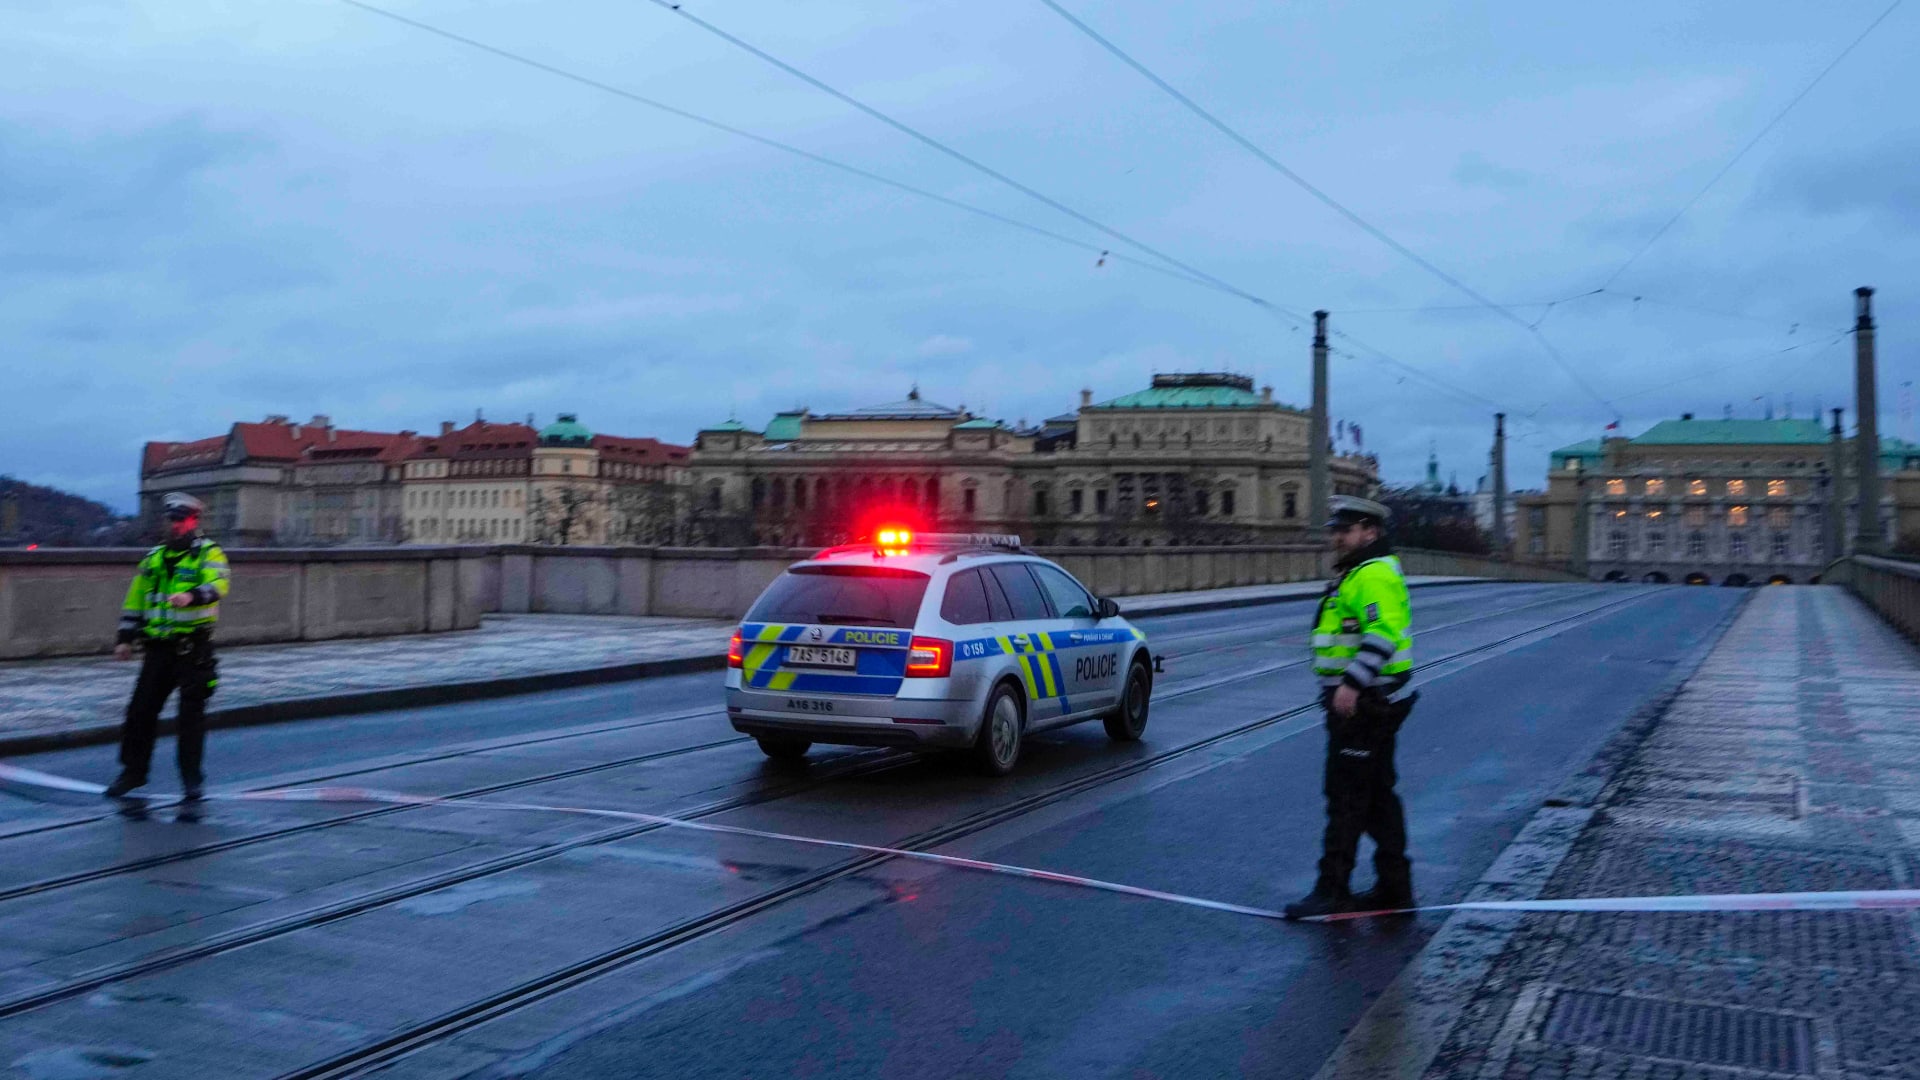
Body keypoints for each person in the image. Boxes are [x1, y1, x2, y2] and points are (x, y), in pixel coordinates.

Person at [1284, 495, 1419, 920]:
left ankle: (1332, 891)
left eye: (1345, 530)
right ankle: (1394, 889)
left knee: (1345, 799)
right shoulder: (1359, 573)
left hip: (1362, 705)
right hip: (1370, 702)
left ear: (1370, 532)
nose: (1336, 538)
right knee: (1377, 800)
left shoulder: (1372, 575)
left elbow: (1384, 633)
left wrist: (1350, 685)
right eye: (1335, 530)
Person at [103, 492, 231, 799]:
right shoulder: (154, 558)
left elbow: (218, 585)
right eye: (171, 520)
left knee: (191, 718)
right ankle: (133, 773)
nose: (175, 525)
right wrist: (125, 639)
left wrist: (192, 597)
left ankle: (191, 780)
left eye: (181, 520)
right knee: (139, 713)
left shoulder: (209, 554)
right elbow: (135, 601)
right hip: (158, 649)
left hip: (193, 648)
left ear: (194, 521)